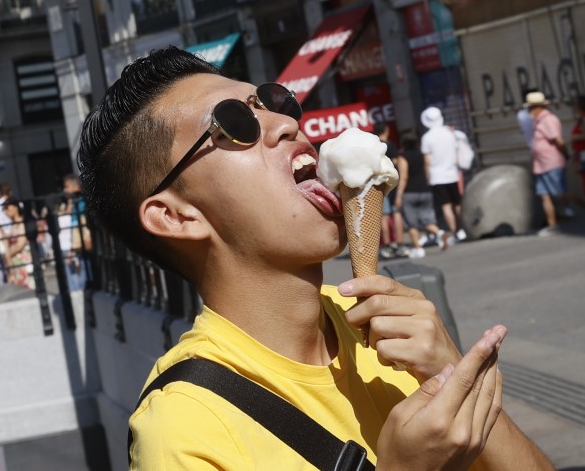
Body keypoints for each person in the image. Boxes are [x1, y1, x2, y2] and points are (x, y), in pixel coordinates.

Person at [77, 47, 550, 469]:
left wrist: (452, 374)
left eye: (274, 101)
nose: (287, 124)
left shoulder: (391, 333)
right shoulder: (183, 431)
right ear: (175, 217)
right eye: (235, 123)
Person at [526, 91, 569, 237]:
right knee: (544, 195)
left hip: (552, 163)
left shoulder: (549, 119)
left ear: (538, 106)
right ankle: (553, 224)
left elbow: (559, 141)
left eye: (530, 107)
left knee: (560, 194)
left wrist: (565, 154)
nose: (528, 110)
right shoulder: (537, 120)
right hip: (541, 164)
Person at [396, 132, 445, 258]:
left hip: (410, 192)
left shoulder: (403, 157)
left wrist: (399, 195)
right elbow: (428, 169)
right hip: (425, 190)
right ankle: (439, 232)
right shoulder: (422, 155)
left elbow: (404, 177)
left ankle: (418, 249)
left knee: (411, 223)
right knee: (427, 219)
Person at [420, 106, 462, 247]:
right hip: (452, 173)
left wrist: (427, 177)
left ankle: (455, 232)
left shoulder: (426, 138)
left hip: (437, 176)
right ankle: (462, 228)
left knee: (446, 206)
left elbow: (427, 161)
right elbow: (456, 152)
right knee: (457, 203)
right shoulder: (449, 132)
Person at [373, 122, 402, 258]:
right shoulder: (390, 145)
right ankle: (398, 242)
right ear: (386, 130)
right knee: (395, 214)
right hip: (392, 182)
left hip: (379, 183)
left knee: (384, 216)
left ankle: (387, 245)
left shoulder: (374, 146)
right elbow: (396, 163)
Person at [1, 200, 33, 289]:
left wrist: (7, 255)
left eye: (7, 207)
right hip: (16, 263)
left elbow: (20, 244)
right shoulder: (13, 225)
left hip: (23, 263)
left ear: (15, 207)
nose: (5, 211)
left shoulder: (21, 222)